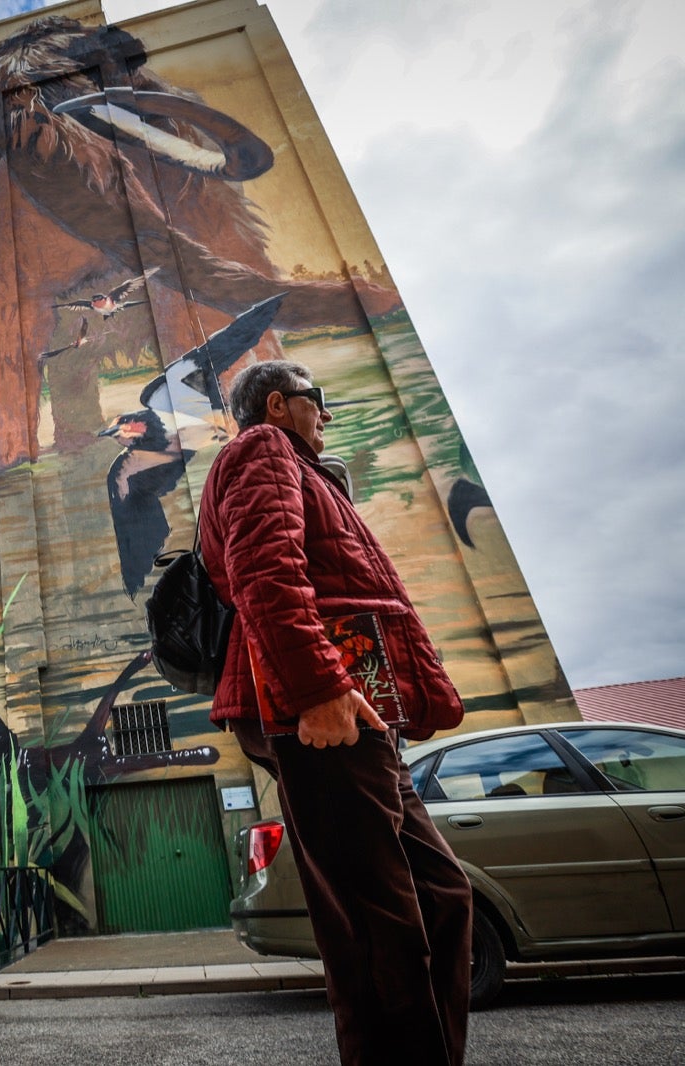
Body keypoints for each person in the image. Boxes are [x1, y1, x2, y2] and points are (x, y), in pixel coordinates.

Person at [199, 360, 473, 1066]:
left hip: (357, 709)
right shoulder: (261, 448)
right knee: (377, 924)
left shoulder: (304, 468)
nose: (328, 416)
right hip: (322, 706)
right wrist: (317, 687)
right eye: (320, 403)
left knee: (441, 896)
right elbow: (265, 569)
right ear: (280, 403)